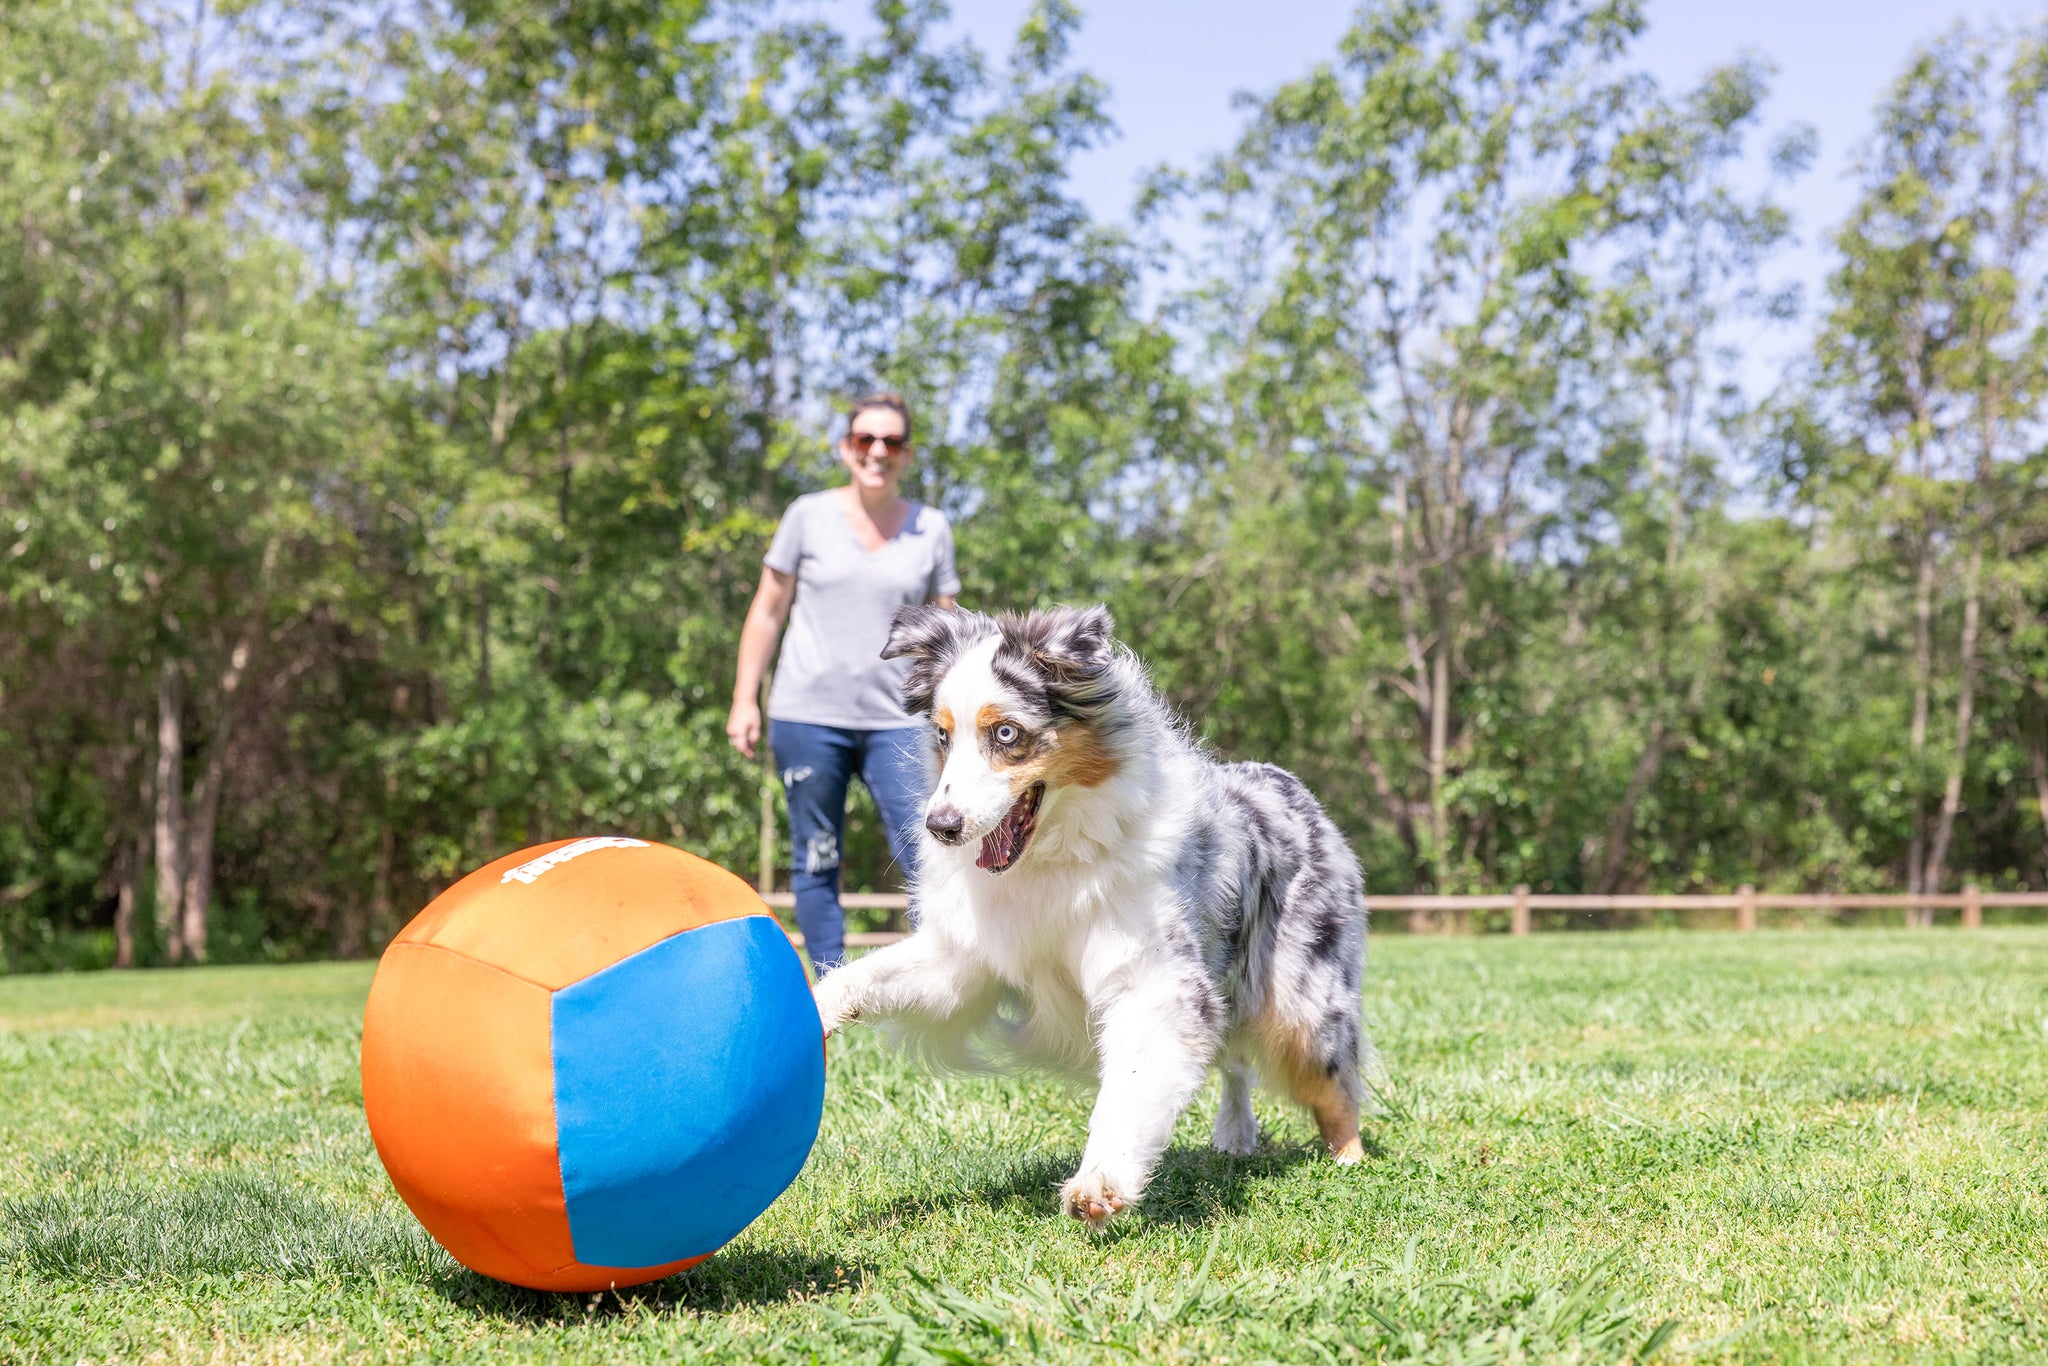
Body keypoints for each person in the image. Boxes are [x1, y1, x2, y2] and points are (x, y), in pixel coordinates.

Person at [727, 393, 959, 974]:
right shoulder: (806, 516)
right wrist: (743, 699)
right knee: (816, 857)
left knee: (930, 854)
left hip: (899, 721)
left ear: (906, 454)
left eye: (892, 442)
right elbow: (766, 611)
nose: (877, 451)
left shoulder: (931, 528)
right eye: (865, 440)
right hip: (807, 715)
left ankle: (940, 985)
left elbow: (949, 629)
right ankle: (831, 992)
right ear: (845, 448)